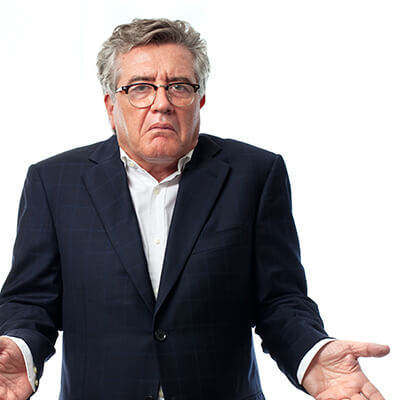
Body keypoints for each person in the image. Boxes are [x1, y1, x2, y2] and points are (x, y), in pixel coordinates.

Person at [0, 18, 389, 400]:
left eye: (179, 87)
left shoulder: (255, 174)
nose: (162, 104)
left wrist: (312, 356)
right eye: (140, 88)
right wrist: (19, 348)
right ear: (111, 105)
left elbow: (279, 300)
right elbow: (31, 300)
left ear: (200, 100)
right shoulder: (53, 181)